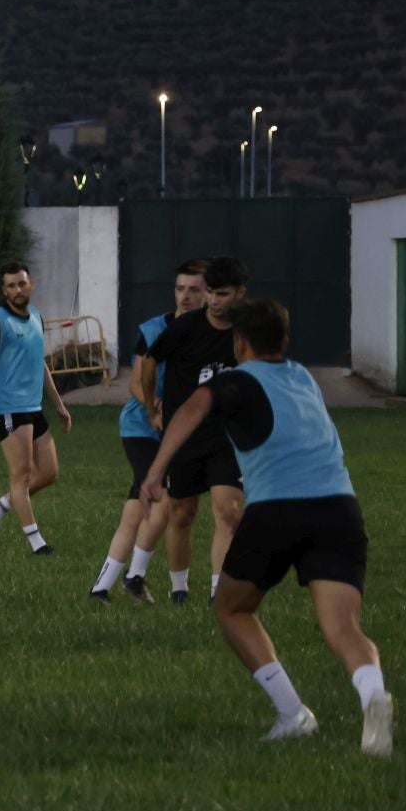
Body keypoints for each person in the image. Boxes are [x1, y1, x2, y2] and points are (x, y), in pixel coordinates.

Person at [140, 299, 393, 755]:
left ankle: (294, 714)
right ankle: (373, 695)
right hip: (340, 508)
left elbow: (193, 407)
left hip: (279, 510)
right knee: (342, 627)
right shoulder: (303, 377)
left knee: (232, 609)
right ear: (285, 341)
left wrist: (157, 470)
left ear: (239, 343)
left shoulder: (238, 380)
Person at [90, 259, 207, 603]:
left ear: (208, 294)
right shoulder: (155, 329)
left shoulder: (211, 334)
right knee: (161, 498)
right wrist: (152, 408)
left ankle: (101, 588)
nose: (185, 296)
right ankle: (135, 577)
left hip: (178, 433)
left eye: (194, 289)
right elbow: (137, 382)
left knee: (136, 508)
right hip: (142, 429)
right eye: (180, 288)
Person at [141, 254, 249, 603]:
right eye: (212, 293)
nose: (215, 302)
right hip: (183, 436)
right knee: (182, 513)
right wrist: (150, 407)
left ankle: (219, 593)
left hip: (226, 437)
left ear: (240, 294)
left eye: (223, 294)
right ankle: (179, 588)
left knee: (229, 512)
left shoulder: (246, 332)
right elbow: (150, 361)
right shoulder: (184, 329)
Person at [0, 262, 73, 557]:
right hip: (7, 408)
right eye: (12, 286)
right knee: (23, 475)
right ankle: (37, 543)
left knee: (49, 473)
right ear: (4, 291)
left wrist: (59, 404)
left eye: (22, 284)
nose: (18, 290)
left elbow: (39, 363)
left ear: (31, 284)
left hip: (32, 407)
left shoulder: (36, 317)